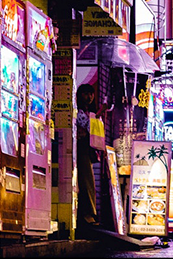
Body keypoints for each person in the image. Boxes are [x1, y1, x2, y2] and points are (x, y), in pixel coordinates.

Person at [75, 83, 106, 234]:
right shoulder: (78, 112)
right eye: (86, 94)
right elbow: (89, 127)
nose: (89, 97)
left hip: (88, 151)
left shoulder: (89, 112)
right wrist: (99, 113)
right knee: (86, 182)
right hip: (80, 150)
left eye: (91, 94)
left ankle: (90, 214)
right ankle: (87, 215)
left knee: (89, 182)